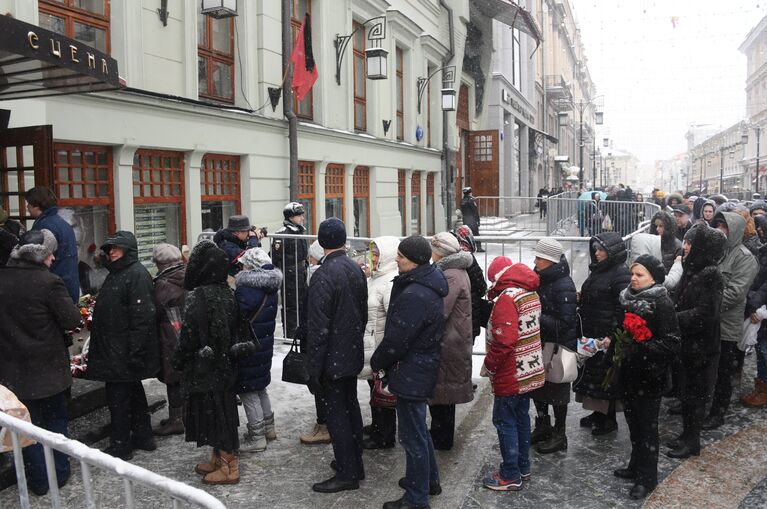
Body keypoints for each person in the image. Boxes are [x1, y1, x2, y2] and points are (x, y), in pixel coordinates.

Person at [0, 230, 81, 496]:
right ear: (39, 256)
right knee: (55, 423)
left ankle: (37, 480)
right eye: (50, 253)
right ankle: (57, 474)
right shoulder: (49, 282)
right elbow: (71, 320)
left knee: (26, 428)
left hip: (13, 371)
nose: (54, 257)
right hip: (47, 369)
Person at [371, 235, 448, 508]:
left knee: (412, 437)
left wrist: (377, 361)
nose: (397, 259)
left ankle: (416, 498)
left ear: (415, 261)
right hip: (419, 367)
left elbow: (397, 339)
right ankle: (429, 481)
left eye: (402, 256)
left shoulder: (416, 293)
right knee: (418, 430)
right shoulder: (423, 284)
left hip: (412, 370)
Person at [305, 218, 368, 493]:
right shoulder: (355, 269)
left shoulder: (323, 274)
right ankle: (354, 463)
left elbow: (318, 328)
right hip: (350, 351)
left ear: (321, 242)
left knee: (337, 416)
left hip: (332, 357)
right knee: (350, 408)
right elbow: (362, 314)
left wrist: (313, 368)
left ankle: (347, 473)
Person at [173, 241, 240, 484]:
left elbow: (188, 335)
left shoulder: (198, 296)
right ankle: (219, 458)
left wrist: (178, 359)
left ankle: (228, 466)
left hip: (205, 367)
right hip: (225, 366)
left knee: (214, 415)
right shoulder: (227, 292)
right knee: (223, 412)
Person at [87, 231, 159, 460]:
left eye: (116, 249)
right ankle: (143, 436)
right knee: (133, 393)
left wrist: (135, 352)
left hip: (122, 352)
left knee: (118, 400)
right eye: (109, 250)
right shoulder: (119, 273)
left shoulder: (135, 275)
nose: (111, 253)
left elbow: (143, 318)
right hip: (118, 350)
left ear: (128, 251)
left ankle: (121, 445)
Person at [613, 255, 680, 500]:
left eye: (640, 275)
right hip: (629, 374)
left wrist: (642, 345)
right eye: (633, 273)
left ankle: (647, 477)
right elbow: (620, 328)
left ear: (653, 278)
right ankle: (635, 465)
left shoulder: (662, 303)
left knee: (647, 428)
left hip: (650, 377)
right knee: (633, 424)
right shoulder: (627, 298)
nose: (634, 278)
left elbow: (671, 343)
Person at [480, 256, 545, 491]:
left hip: (511, 372)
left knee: (504, 421)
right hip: (529, 368)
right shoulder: (530, 293)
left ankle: (509, 474)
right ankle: (522, 466)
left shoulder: (508, 299)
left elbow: (504, 341)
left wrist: (490, 365)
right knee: (520, 418)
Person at [667, 224, 726, 458]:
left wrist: (673, 318)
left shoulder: (711, 274)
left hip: (702, 347)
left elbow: (705, 314)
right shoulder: (693, 269)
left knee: (696, 396)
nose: (685, 246)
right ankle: (685, 435)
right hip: (688, 344)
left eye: (690, 243)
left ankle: (692, 441)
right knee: (687, 394)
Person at [704, 212, 758, 429]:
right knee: (704, 365)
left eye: (724, 227)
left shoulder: (745, 258)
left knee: (723, 370)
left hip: (726, 323)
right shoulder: (716, 252)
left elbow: (735, 293)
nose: (719, 230)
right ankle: (699, 402)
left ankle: (718, 411)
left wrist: (705, 304)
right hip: (707, 321)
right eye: (717, 225)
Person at [573, 232, 631, 435]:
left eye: (601, 250)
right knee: (595, 377)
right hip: (594, 332)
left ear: (611, 252)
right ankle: (598, 413)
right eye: (595, 249)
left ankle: (608, 419)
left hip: (605, 334)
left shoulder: (619, 273)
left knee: (606, 378)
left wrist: (612, 335)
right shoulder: (600, 270)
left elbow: (622, 307)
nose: (596, 253)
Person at [529, 239, 577, 455]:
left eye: (539, 257)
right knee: (537, 387)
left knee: (557, 389)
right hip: (540, 343)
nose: (535, 260)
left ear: (550, 260)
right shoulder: (539, 278)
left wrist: (537, 316)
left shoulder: (563, 284)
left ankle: (560, 434)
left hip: (558, 346)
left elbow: (566, 323)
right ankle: (542, 425)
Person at [428, 232, 473, 451]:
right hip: (452, 338)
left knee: (444, 391)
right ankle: (440, 433)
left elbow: (439, 309)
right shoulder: (453, 271)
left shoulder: (450, 275)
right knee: (444, 390)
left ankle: (441, 437)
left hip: (449, 340)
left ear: (439, 251)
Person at [234, 247, 282, 453]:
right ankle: (268, 428)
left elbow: (237, 316)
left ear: (250, 267)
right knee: (260, 386)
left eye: (244, 264)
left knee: (248, 391)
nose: (241, 267)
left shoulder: (246, 289)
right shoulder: (270, 286)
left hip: (249, 346)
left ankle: (257, 437)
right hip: (263, 345)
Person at [359, 236, 400, 450]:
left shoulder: (390, 280)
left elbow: (392, 317)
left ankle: (384, 435)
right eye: (372, 253)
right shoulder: (376, 276)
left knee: (383, 390)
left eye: (377, 254)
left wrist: (385, 350)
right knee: (374, 388)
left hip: (380, 345)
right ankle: (377, 427)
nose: (373, 257)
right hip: (372, 343)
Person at [151, 243, 188, 436]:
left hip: (170, 334)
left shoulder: (163, 284)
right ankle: (183, 415)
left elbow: (155, 310)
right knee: (182, 375)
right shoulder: (186, 274)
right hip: (184, 331)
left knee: (173, 377)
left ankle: (177, 419)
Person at [299, 240, 332, 445]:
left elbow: (317, 314)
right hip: (323, 340)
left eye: (311, 256)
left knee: (320, 384)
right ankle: (325, 423)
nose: (308, 260)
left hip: (318, 341)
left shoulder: (319, 276)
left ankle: (325, 425)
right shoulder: (323, 274)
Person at [24, 186, 79, 302]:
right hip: (67, 286)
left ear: (36, 205)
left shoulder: (44, 226)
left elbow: (38, 261)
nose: (27, 207)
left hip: (54, 289)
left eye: (28, 203)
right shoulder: (60, 222)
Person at [272, 202, 309, 339]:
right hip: (289, 275)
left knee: (303, 302)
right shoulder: (283, 234)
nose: (302, 218)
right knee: (291, 306)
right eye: (299, 215)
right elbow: (275, 257)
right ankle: (291, 334)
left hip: (301, 272)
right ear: (291, 217)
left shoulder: (300, 230)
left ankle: (301, 331)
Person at [452, 225, 488, 343]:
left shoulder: (448, 257)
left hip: (455, 319)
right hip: (469, 314)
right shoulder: (468, 258)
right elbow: (481, 287)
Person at [460, 187, 483, 252]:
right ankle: (478, 247)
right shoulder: (471, 200)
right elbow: (475, 211)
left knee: (467, 234)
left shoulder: (462, 201)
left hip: (465, 219)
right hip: (472, 219)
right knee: (476, 234)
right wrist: (478, 220)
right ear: (470, 193)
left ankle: (468, 247)